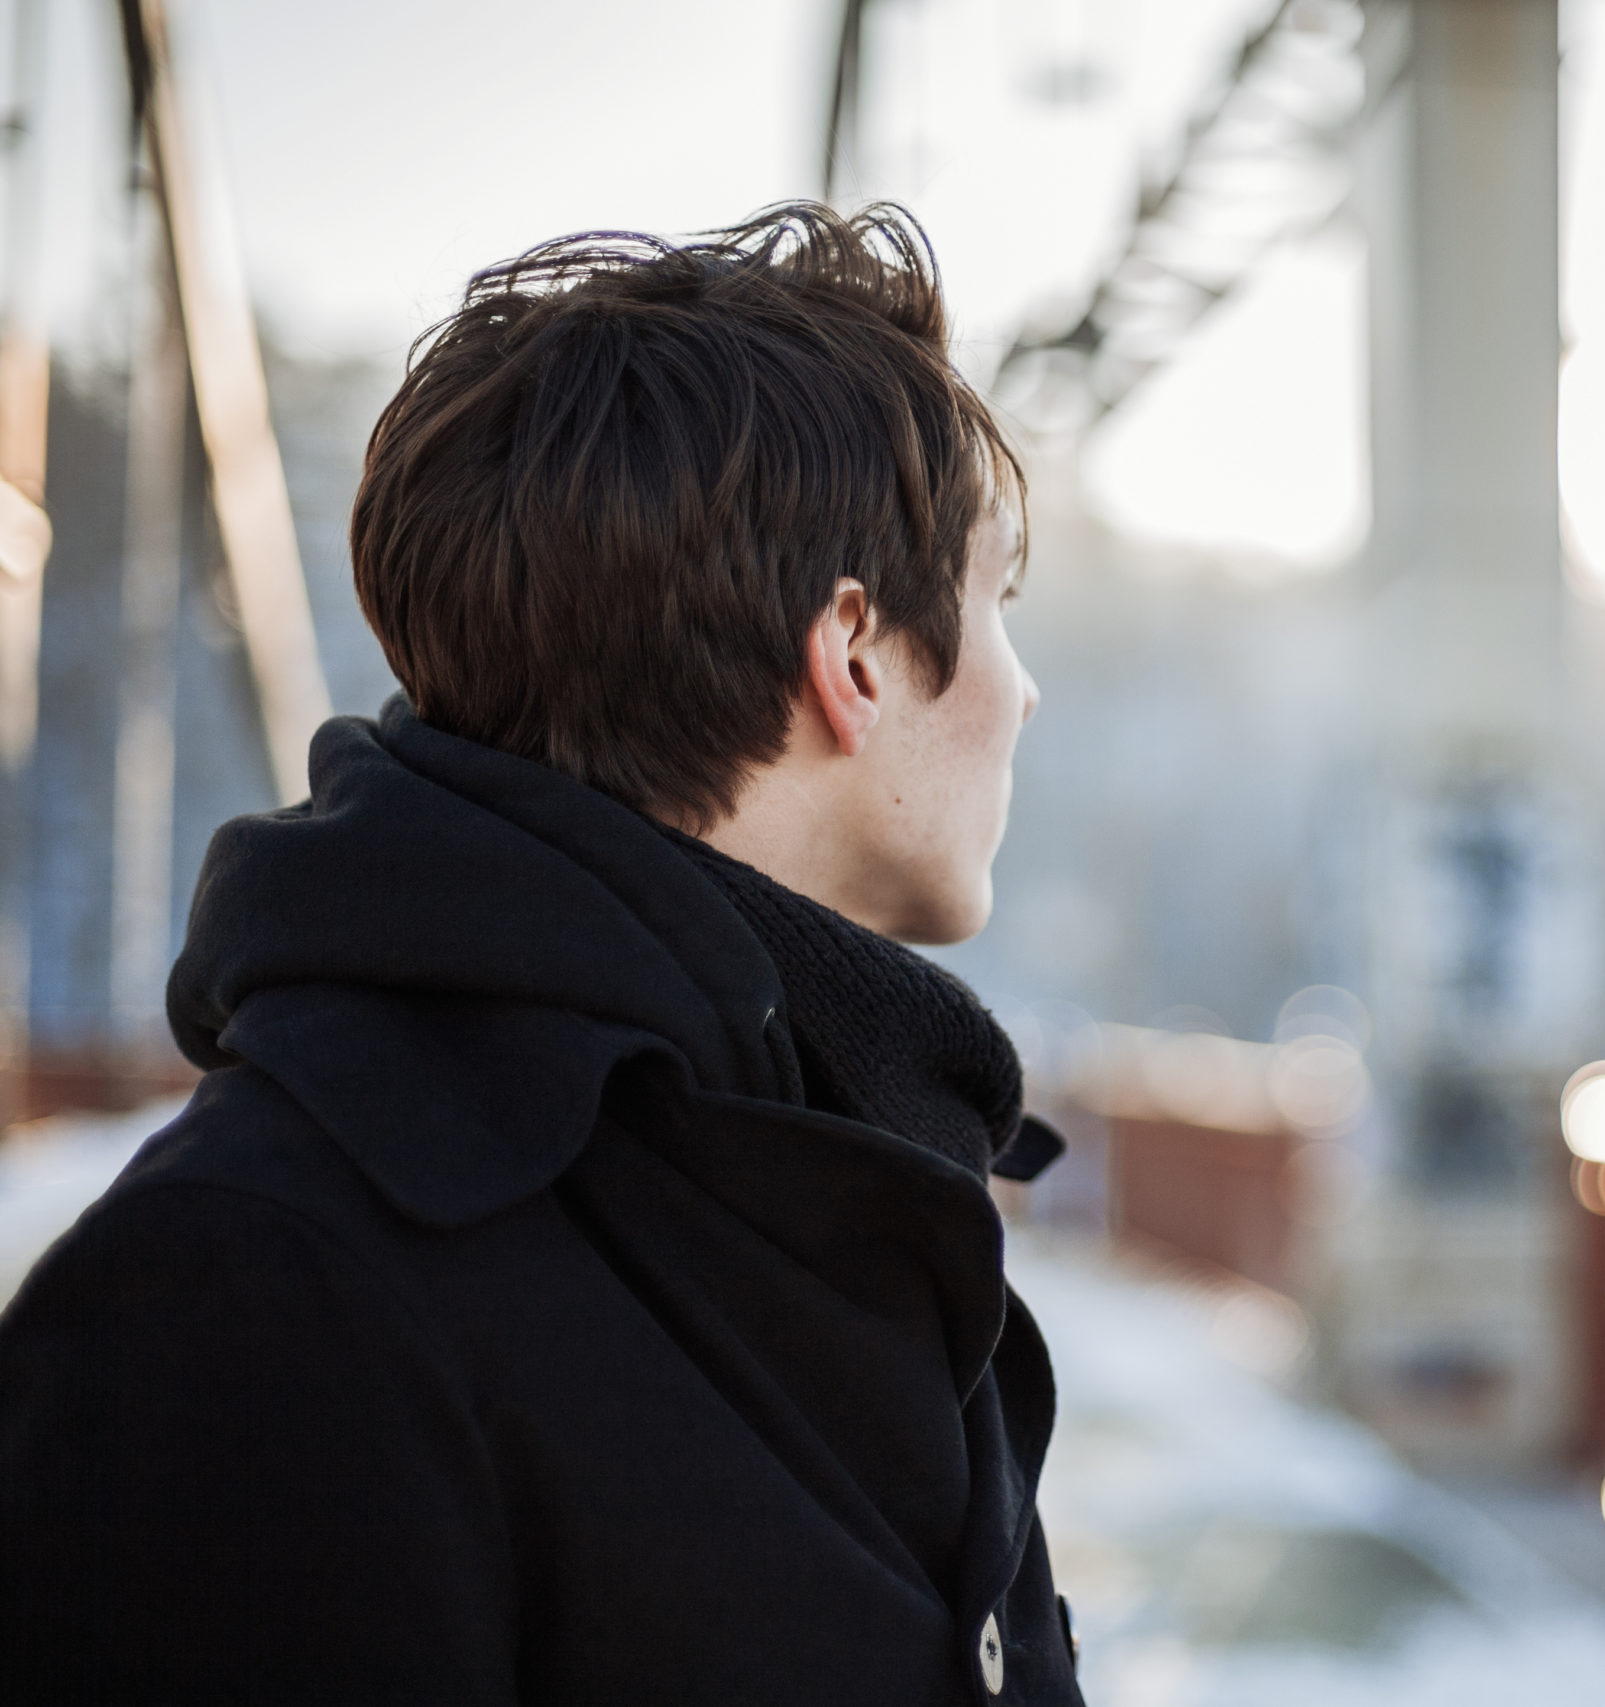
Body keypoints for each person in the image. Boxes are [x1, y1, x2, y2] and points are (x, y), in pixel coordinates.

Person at [0, 203, 1080, 1704]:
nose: (1023, 697)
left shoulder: (848, 1183)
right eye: (996, 608)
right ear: (854, 659)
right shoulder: (246, 1298)